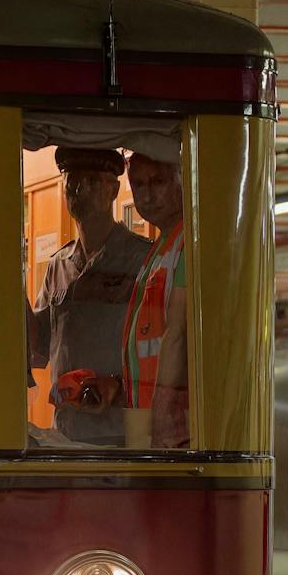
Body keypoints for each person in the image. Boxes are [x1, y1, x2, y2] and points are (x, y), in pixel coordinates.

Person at [28, 147, 148, 445]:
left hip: (123, 432)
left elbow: (162, 343)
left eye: (92, 181)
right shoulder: (59, 265)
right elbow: (38, 345)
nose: (80, 190)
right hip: (67, 432)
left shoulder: (142, 259)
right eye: (73, 182)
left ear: (114, 190)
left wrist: (117, 386)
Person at [122, 148, 191, 449]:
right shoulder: (163, 244)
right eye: (138, 185)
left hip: (172, 428)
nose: (147, 194)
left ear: (181, 181)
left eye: (157, 181)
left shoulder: (188, 242)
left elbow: (177, 332)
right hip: (150, 419)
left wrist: (161, 424)